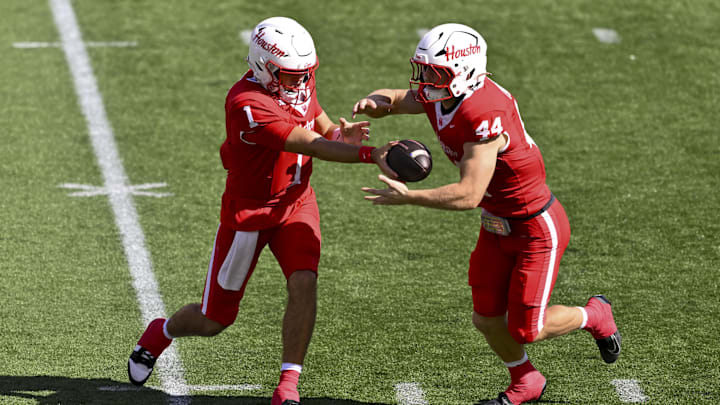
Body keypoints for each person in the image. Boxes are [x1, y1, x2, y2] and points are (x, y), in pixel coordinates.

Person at [127, 16, 393, 405]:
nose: (300, 83)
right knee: (213, 320)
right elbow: (311, 144)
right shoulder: (247, 104)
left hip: (297, 202)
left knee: (304, 283)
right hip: (251, 214)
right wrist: (372, 155)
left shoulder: (295, 81)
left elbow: (317, 124)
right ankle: (161, 331)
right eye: (290, 76)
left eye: (305, 74)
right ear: (264, 68)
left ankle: (288, 384)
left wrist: (340, 134)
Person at [353, 23, 621, 405]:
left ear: (462, 73)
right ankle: (526, 381)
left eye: (434, 72)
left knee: (529, 327)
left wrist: (409, 196)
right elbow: (397, 98)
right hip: (496, 222)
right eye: (424, 69)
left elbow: (467, 193)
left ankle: (595, 315)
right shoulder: (444, 91)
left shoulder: (484, 111)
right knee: (487, 318)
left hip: (534, 225)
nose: (424, 79)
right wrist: (374, 102)